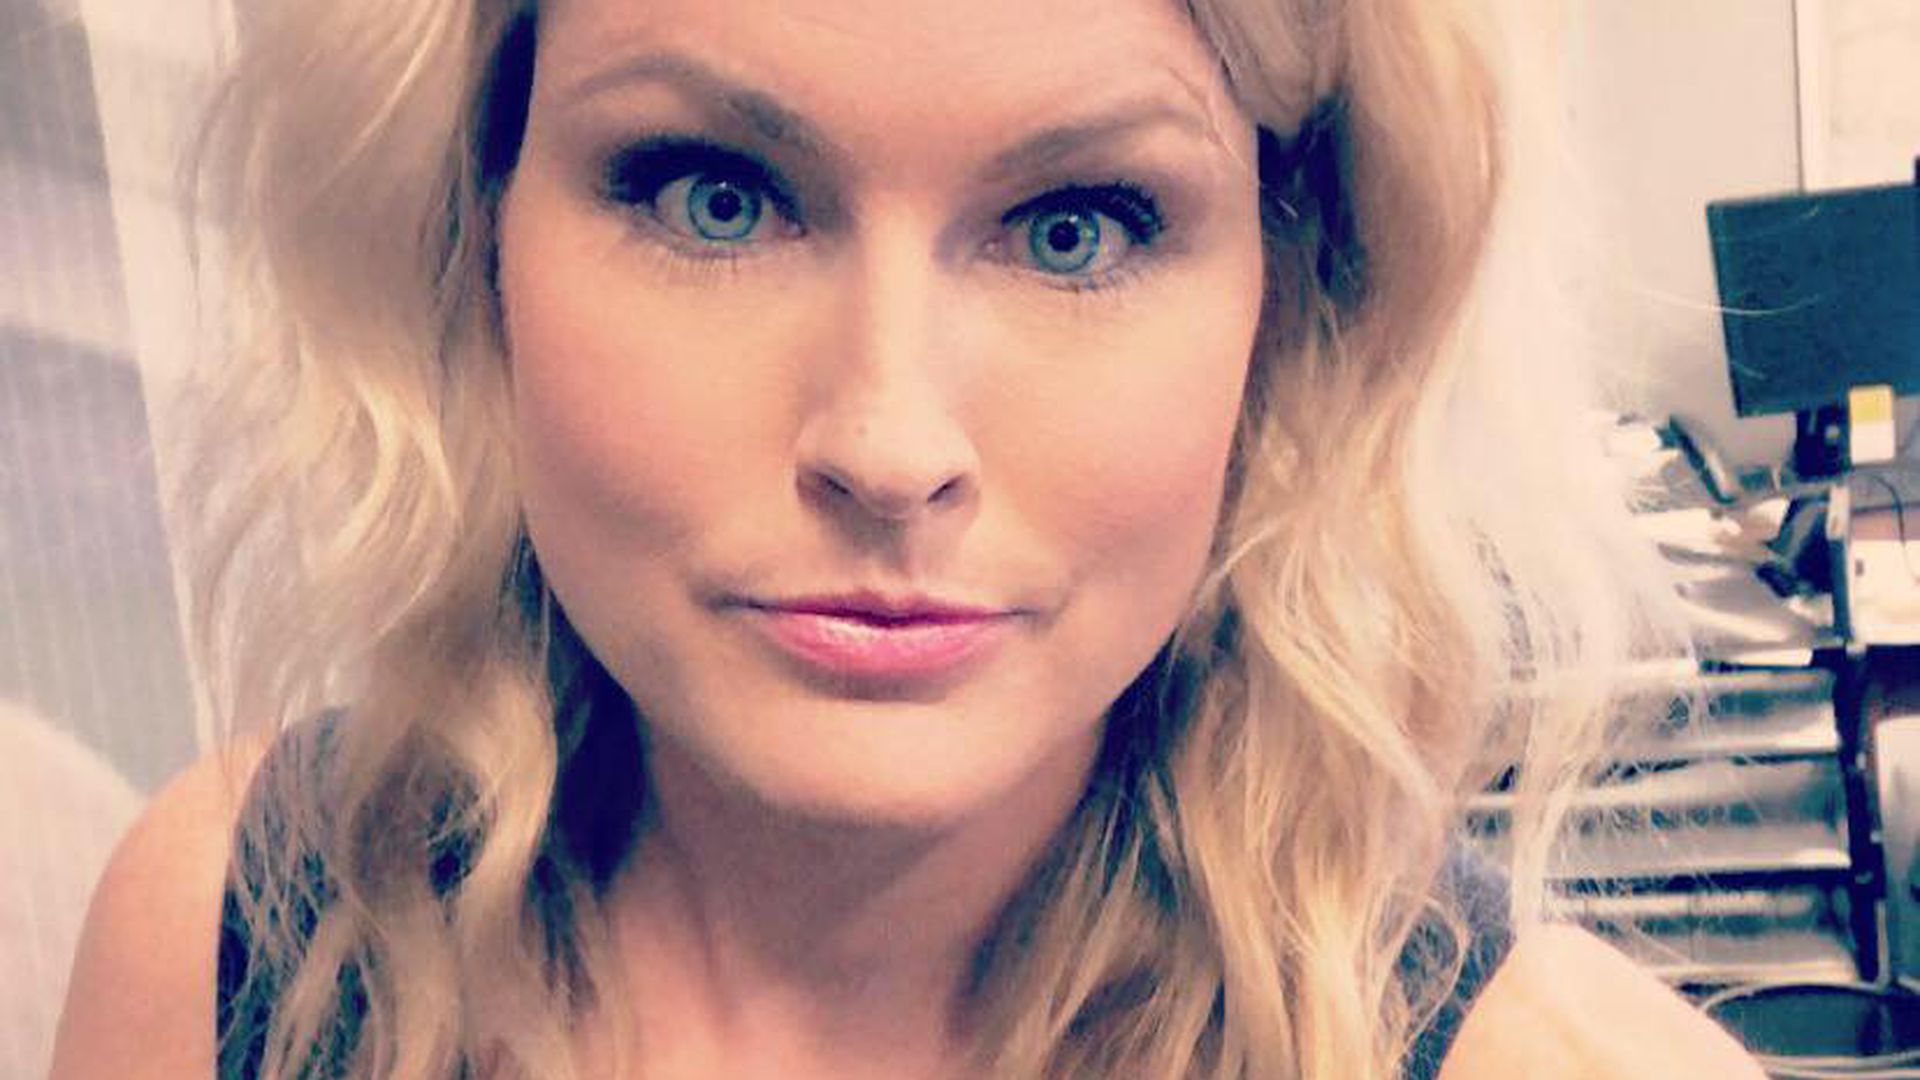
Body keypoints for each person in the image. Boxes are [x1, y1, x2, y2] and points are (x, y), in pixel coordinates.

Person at [52, 0, 1767, 1077]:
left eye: (1079, 227)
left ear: (1292, 299)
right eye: (715, 196)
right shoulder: (237, 936)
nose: (888, 444)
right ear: (472, 237)